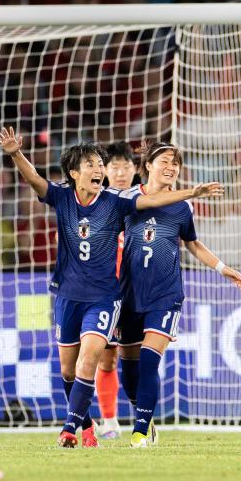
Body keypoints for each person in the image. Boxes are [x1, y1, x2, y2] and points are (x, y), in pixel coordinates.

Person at [0, 128, 225, 449]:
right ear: (74, 173)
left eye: (100, 164)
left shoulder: (116, 201)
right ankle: (88, 427)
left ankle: (73, 429)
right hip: (69, 295)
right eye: (91, 164)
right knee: (70, 369)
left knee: (93, 359)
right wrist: (16, 154)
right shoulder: (62, 196)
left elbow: (153, 200)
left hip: (105, 298)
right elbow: (34, 179)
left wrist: (191, 193)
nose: (99, 170)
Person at [118, 142, 241, 448]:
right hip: (129, 294)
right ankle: (144, 416)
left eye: (175, 163)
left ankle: (139, 432)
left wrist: (222, 267)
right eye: (164, 161)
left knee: (149, 361)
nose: (171, 167)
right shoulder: (127, 198)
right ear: (148, 165)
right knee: (129, 372)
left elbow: (192, 243)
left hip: (166, 294)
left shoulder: (183, 207)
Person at [93, 141, 139, 440]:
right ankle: (109, 421)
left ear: (136, 169)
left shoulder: (145, 201)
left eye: (126, 166)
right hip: (106, 292)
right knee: (106, 359)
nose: (121, 172)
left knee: (138, 359)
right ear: (105, 170)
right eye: (115, 167)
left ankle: (144, 419)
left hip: (138, 293)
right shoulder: (96, 203)